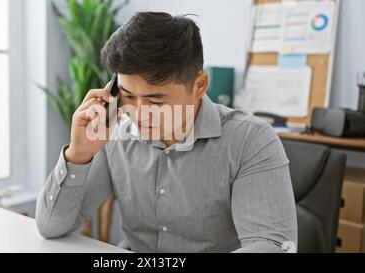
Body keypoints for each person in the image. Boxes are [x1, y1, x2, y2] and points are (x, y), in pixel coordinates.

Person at [36, 12, 297, 253]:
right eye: (127, 96)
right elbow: (51, 227)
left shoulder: (250, 140)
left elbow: (270, 245)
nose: (138, 113)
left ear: (200, 85)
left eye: (156, 101)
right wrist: (78, 155)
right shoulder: (114, 134)